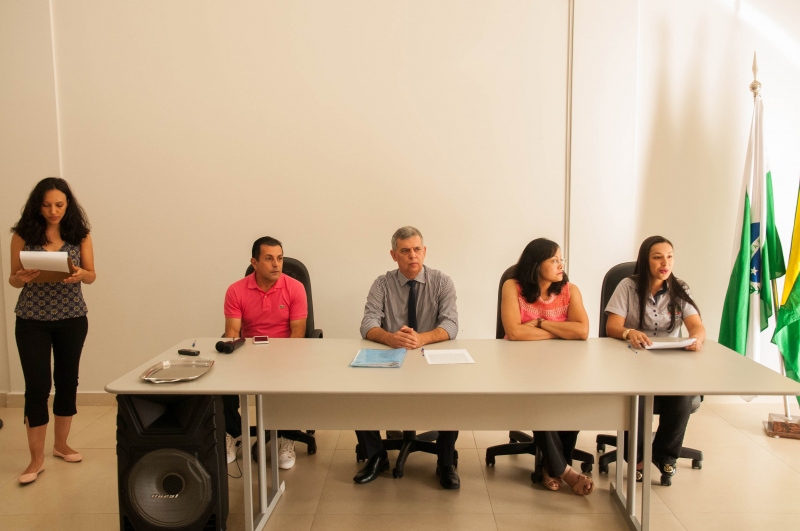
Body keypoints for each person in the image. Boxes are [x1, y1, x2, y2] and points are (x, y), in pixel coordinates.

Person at [355, 226, 460, 489]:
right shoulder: (382, 283)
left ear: (424, 252)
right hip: (392, 356)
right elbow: (367, 324)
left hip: (430, 358)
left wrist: (421, 338)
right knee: (354, 391)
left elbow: (451, 325)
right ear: (394, 255)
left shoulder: (442, 282)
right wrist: (391, 338)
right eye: (405, 251)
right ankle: (377, 456)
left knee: (456, 392)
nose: (412, 256)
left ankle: (445, 462)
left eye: (416, 250)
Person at [9, 177, 96, 485]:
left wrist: (80, 275)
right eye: (46, 205)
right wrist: (22, 276)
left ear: (68, 204)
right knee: (36, 386)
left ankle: (60, 444)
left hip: (72, 317)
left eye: (59, 204)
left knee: (67, 380)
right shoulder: (23, 234)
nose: (53, 211)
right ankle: (35, 459)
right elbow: (13, 280)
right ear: (38, 205)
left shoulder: (80, 233)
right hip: (32, 318)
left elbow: (91, 275)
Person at [605, 235, 706, 482]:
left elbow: (697, 326)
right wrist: (630, 332)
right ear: (645, 260)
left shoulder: (679, 288)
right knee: (637, 396)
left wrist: (697, 339)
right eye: (658, 257)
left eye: (670, 256)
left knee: (682, 397)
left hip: (669, 365)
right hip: (633, 361)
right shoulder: (627, 286)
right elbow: (612, 326)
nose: (665, 263)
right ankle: (637, 458)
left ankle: (665, 456)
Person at [501, 238, 593, 495]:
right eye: (554, 260)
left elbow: (582, 331)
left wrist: (540, 323)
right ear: (535, 263)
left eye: (561, 260)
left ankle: (551, 466)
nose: (560, 265)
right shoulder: (512, 287)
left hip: (563, 367)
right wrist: (563, 330)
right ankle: (565, 471)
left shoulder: (569, 290)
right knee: (540, 400)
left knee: (573, 400)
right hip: (521, 368)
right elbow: (514, 333)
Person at [222, 236, 308, 469]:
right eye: (269, 259)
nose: (276, 264)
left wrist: (281, 362)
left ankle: (287, 437)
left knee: (293, 380)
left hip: (286, 354)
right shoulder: (236, 290)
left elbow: (298, 333)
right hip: (249, 355)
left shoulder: (295, 288)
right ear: (254, 262)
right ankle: (233, 433)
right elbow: (232, 332)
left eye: (279, 258)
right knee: (219, 381)